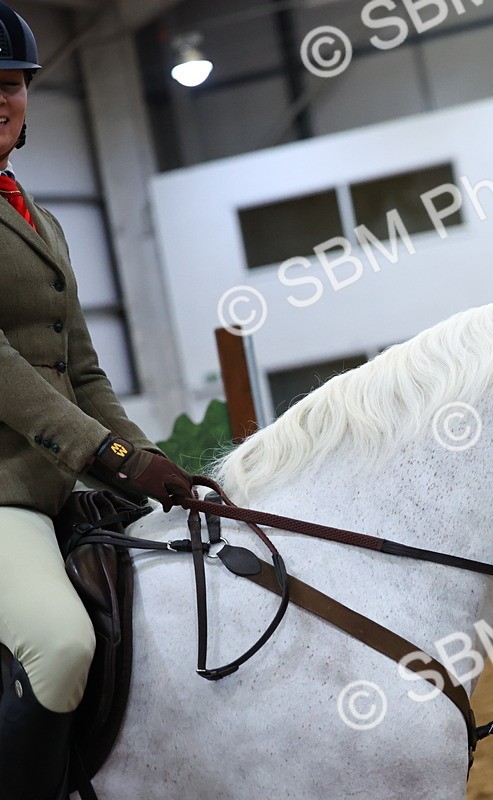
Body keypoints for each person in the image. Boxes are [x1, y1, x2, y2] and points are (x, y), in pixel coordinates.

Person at [0, 4, 193, 797]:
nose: (0, 99)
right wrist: (108, 456)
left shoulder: (40, 219)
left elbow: (81, 370)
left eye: (10, 84)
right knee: (60, 646)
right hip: (2, 496)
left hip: (56, 490)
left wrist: (147, 461)